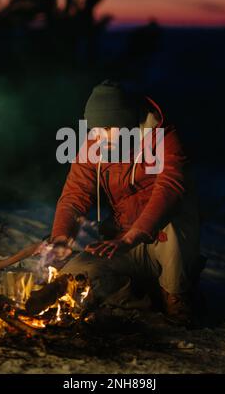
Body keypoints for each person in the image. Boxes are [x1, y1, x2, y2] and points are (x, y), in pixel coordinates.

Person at [48, 80, 202, 326]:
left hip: (161, 242)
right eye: (95, 129)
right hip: (122, 242)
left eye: (108, 128)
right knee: (72, 276)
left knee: (173, 222)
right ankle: (143, 304)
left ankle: (176, 296)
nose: (99, 136)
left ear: (128, 122)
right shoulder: (95, 145)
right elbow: (74, 196)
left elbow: (170, 187)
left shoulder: (163, 138)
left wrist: (132, 237)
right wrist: (60, 237)